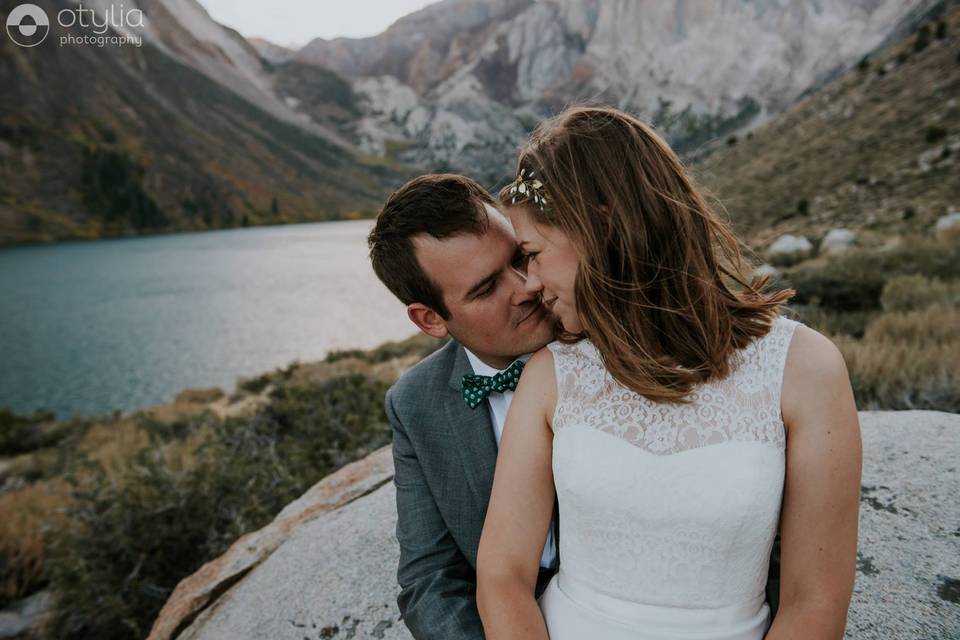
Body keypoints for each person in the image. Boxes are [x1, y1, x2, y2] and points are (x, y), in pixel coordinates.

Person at [476, 106, 862, 640]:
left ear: (603, 227)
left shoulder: (805, 369)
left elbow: (814, 598)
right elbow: (502, 575)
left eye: (534, 254)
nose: (531, 282)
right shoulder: (552, 376)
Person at [367, 174, 560, 640]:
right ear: (430, 319)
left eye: (520, 258)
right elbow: (430, 577)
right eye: (485, 288)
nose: (526, 287)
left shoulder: (612, 347)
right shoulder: (415, 404)